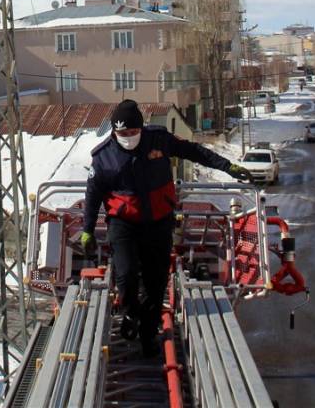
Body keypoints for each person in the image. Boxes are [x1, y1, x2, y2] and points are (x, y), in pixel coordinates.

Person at [80, 99, 247, 356]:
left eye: (133, 132)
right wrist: (87, 230)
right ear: (114, 132)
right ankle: (130, 313)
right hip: (124, 224)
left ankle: (149, 335)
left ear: (142, 128)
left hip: (158, 222)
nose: (128, 138)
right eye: (122, 134)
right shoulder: (103, 158)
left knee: (155, 282)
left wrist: (227, 166)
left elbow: (194, 152)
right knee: (125, 274)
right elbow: (92, 196)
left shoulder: (158, 140)